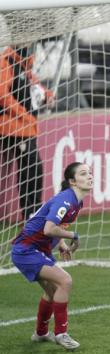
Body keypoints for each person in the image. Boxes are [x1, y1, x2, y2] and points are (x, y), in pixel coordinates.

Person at [11, 162, 92, 350]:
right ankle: (61, 334)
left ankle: (40, 333)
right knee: (65, 281)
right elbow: (48, 228)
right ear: (72, 181)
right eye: (83, 174)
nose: (89, 176)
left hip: (35, 249)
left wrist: (62, 244)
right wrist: (73, 237)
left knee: (51, 291)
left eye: (90, 173)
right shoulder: (66, 200)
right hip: (27, 251)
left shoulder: (76, 200)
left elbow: (53, 225)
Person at [0, 43, 54, 221]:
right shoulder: (6, 63)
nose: (28, 45)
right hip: (12, 128)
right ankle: (31, 214)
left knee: (34, 168)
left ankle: (34, 212)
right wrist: (24, 115)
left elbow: (35, 87)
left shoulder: (24, 66)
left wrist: (47, 96)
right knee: (31, 168)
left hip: (25, 129)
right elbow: (2, 95)